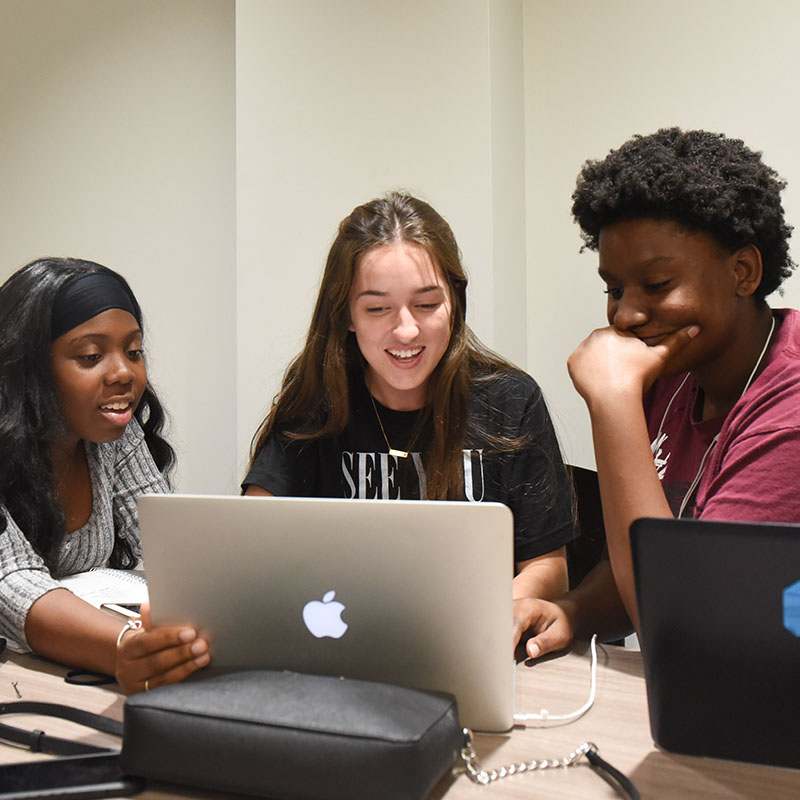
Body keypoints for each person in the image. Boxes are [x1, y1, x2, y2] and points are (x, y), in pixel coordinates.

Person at [243, 192, 575, 648]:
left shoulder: (509, 399)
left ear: (454, 302)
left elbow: (547, 566)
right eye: (377, 308)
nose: (405, 331)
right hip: (337, 652)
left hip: (469, 649)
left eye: (426, 304)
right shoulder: (317, 399)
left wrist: (487, 620)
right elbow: (249, 544)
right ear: (346, 315)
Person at [523, 127, 800, 659]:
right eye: (614, 288)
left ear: (743, 271)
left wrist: (611, 402)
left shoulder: (786, 410)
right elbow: (630, 559)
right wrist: (572, 611)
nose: (626, 316)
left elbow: (684, 625)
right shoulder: (672, 375)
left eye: (657, 285)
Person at [0, 257, 210, 692]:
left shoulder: (115, 431)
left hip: (64, 669)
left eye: (134, 352)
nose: (123, 374)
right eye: (91, 356)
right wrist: (123, 647)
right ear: (29, 368)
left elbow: (168, 545)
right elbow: (12, 582)